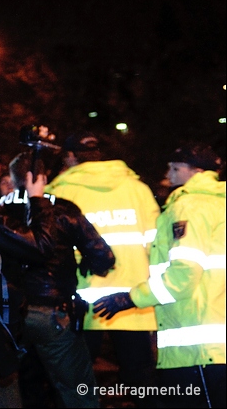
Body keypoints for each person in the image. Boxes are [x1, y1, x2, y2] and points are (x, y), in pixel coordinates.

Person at [93, 143, 225, 409]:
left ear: (196, 171)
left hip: (197, 348)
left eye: (175, 167)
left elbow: (184, 275)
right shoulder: (218, 203)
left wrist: (131, 298)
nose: (168, 171)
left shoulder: (188, 206)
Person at [0, 152, 115, 407]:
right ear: (43, 178)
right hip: (53, 312)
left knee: (12, 386)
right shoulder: (63, 210)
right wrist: (87, 261)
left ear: (12, 179)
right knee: (77, 390)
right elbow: (103, 256)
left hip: (10, 313)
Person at [45, 131, 160, 405]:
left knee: (78, 384)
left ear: (71, 157)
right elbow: (156, 247)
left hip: (81, 302)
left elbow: (50, 250)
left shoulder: (60, 192)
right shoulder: (138, 190)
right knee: (142, 384)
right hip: (134, 301)